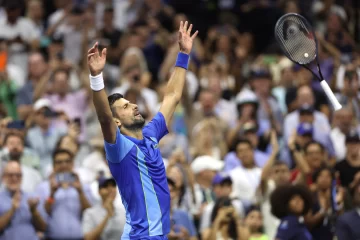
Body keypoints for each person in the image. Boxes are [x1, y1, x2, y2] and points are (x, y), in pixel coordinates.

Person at [87, 21, 198, 239]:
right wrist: (96, 77)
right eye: (126, 107)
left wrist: (183, 54)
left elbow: (172, 97)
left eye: (131, 103)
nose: (135, 105)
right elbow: (103, 118)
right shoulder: (119, 148)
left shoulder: (151, 134)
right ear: (117, 122)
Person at [0, 161, 46, 240]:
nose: (14, 178)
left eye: (18, 175)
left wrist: (33, 210)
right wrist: (12, 209)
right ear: (3, 177)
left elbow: (43, 227)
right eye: (10, 175)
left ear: (22, 177)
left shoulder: (32, 197)